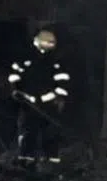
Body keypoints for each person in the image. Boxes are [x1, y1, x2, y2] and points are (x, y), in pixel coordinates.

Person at [7, 29, 72, 167]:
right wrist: (17, 91)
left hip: (49, 104)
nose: (49, 45)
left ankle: (51, 160)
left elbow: (62, 82)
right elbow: (14, 75)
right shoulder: (25, 57)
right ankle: (26, 159)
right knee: (28, 130)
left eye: (51, 43)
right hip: (27, 102)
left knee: (50, 132)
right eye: (47, 42)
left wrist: (53, 97)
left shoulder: (56, 60)